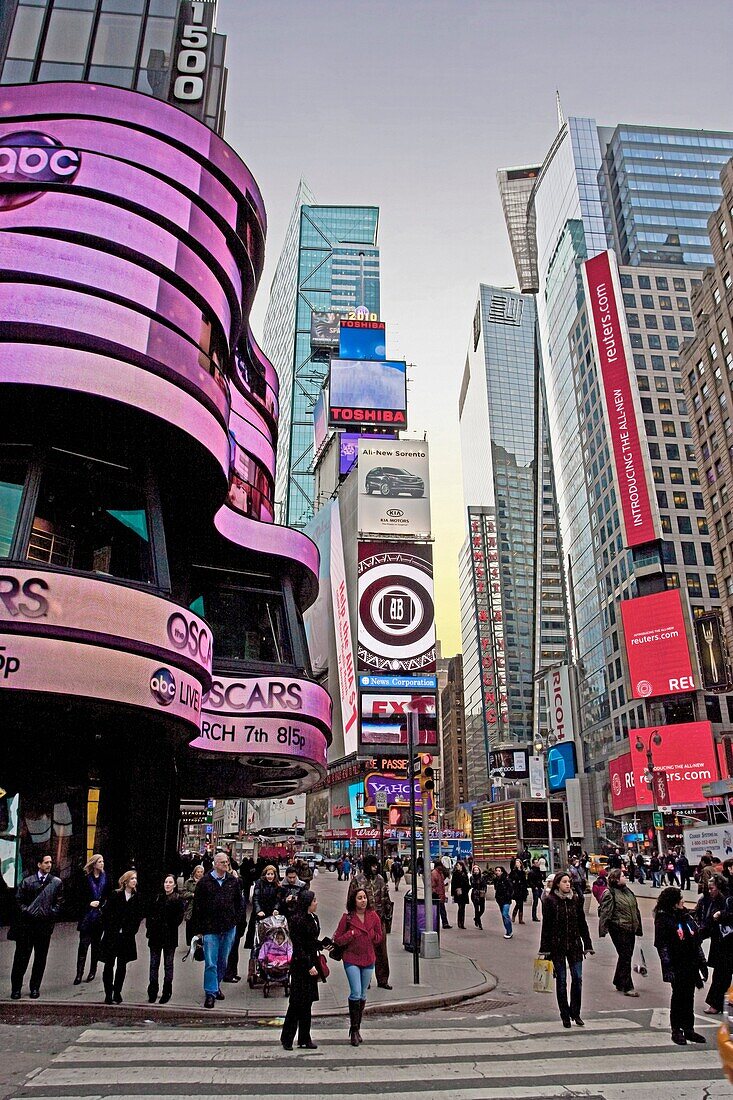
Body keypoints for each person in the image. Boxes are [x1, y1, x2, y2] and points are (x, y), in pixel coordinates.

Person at [539, 871, 594, 1028]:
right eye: (564, 882)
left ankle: (575, 1013)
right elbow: (546, 927)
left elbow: (582, 923)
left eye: (569, 881)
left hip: (575, 945)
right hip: (557, 947)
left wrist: (588, 944)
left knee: (577, 979)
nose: (568, 884)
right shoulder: (550, 901)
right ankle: (565, 1014)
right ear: (557, 884)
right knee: (562, 981)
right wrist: (545, 950)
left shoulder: (575, 900)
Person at [654, 886, 708, 1045]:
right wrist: (668, 967)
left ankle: (689, 1029)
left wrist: (702, 961)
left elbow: (696, 939)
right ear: (673, 902)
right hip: (677, 964)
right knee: (678, 996)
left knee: (689, 996)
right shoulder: (663, 919)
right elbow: (661, 945)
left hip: (691, 962)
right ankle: (676, 1030)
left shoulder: (686, 916)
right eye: (680, 897)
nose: (683, 900)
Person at [191, 851, 244, 1009]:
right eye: (222, 862)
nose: (226, 864)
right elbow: (197, 907)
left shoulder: (233, 881)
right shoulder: (205, 882)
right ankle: (210, 993)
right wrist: (199, 929)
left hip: (228, 928)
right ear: (215, 864)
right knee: (211, 963)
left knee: (223, 961)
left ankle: (216, 985)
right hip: (210, 929)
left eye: (227, 862)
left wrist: (236, 921)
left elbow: (239, 903)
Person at [333, 885, 383, 1046]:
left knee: (362, 994)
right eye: (359, 898)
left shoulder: (373, 916)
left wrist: (372, 935)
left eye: (364, 898)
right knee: (355, 992)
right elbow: (338, 940)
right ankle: (353, 1030)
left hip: (368, 959)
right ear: (353, 901)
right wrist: (352, 934)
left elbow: (379, 938)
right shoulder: (347, 918)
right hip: (351, 959)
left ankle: (358, 1027)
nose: (363, 901)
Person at [280, 890, 330, 1050]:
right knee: (296, 1003)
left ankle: (304, 1037)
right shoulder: (296, 920)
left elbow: (311, 941)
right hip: (301, 965)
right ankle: (287, 1038)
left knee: (307, 1003)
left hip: (312, 960)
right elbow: (299, 947)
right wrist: (309, 966)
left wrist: (323, 944)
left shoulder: (314, 918)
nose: (316, 903)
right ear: (307, 903)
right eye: (314, 900)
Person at [10, 854, 63, 1000]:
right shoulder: (28, 882)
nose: (49, 865)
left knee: (40, 959)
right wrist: (27, 911)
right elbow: (18, 901)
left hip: (44, 926)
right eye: (46, 862)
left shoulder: (56, 882)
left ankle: (35, 987)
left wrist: (50, 913)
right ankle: (16, 989)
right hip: (27, 926)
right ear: (39, 864)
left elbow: (58, 902)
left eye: (50, 862)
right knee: (21, 959)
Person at [99, 870, 143, 1004]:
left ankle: (117, 992)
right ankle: (108, 992)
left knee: (122, 965)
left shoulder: (137, 897)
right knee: (109, 964)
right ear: (125, 881)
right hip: (112, 934)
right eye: (132, 879)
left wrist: (131, 930)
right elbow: (106, 914)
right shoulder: (115, 895)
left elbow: (138, 917)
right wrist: (111, 928)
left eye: (135, 878)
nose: (134, 881)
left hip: (126, 936)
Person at [598, 866, 643, 997]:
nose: (625, 877)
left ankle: (618, 980)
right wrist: (604, 929)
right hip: (618, 928)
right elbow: (605, 912)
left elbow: (635, 909)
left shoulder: (628, 891)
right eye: (623, 876)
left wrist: (638, 927)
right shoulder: (610, 893)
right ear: (616, 879)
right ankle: (627, 986)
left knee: (625, 956)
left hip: (630, 928)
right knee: (625, 956)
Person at [349, 854, 392, 988]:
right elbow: (351, 900)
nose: (375, 868)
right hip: (363, 921)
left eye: (376, 865)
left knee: (381, 952)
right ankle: (365, 980)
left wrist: (387, 914)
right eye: (373, 865)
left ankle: (383, 980)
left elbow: (386, 898)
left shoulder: (380, 879)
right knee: (365, 951)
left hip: (379, 920)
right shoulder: (358, 880)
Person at [696, 873, 733, 1015]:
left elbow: (725, 916)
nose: (710, 891)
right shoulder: (712, 900)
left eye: (712, 888)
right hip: (721, 942)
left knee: (722, 974)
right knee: (721, 974)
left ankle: (717, 1003)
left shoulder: (727, 899)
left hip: (727, 943)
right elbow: (709, 923)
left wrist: (721, 916)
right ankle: (717, 1002)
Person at [146, 873, 185, 1004]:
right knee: (153, 964)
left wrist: (166, 924)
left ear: (174, 884)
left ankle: (166, 990)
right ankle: (152, 989)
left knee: (168, 965)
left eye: (170, 882)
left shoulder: (177, 899)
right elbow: (149, 915)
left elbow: (178, 919)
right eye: (165, 882)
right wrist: (151, 928)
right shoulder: (157, 897)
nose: (167, 884)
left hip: (169, 936)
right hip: (155, 936)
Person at [74, 853, 110, 985]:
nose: (102, 864)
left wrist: (102, 904)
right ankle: (79, 973)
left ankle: (92, 971)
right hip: (87, 917)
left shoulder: (106, 878)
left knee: (96, 946)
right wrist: (89, 903)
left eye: (103, 861)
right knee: (83, 945)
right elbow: (78, 897)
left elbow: (108, 896)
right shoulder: (85, 879)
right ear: (94, 864)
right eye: (100, 862)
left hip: (100, 917)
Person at [244, 864, 281, 949]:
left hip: (271, 914)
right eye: (268, 874)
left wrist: (276, 908)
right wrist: (258, 910)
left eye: (272, 874)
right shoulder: (259, 883)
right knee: (256, 939)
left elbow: (278, 899)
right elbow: (256, 898)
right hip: (259, 914)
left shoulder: (277, 885)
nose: (270, 876)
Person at [181, 864, 204, 946]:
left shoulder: (204, 882)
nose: (200, 874)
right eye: (198, 872)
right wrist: (192, 895)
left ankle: (199, 943)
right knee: (190, 926)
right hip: (191, 907)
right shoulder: (188, 882)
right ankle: (190, 942)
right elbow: (183, 893)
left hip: (201, 907)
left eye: (201, 872)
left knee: (199, 926)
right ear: (194, 872)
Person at [493, 865, 514, 939]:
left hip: (506, 899)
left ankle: (509, 931)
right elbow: (496, 888)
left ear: (502, 872)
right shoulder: (496, 880)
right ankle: (508, 930)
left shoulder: (506, 879)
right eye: (496, 871)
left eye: (499, 871)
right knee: (503, 915)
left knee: (505, 914)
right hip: (500, 899)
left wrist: (508, 896)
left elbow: (511, 889)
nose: (497, 872)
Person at [431, 859, 451, 930]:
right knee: (440, 910)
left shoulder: (439, 873)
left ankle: (444, 923)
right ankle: (443, 923)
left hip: (440, 893)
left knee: (442, 910)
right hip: (437, 894)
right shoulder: (435, 873)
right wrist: (435, 892)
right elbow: (433, 885)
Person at [450, 860, 470, 929]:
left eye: (458, 865)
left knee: (463, 907)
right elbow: (453, 884)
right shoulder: (455, 874)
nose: (457, 867)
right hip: (458, 892)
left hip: (464, 892)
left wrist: (467, 889)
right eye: (456, 865)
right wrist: (453, 893)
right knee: (460, 907)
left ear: (461, 866)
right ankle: (459, 922)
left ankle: (462, 923)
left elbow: (467, 883)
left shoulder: (465, 873)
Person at [509, 857, 528, 924]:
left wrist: (526, 889)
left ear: (520, 864)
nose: (517, 864)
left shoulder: (523, 872)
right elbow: (510, 880)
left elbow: (525, 881)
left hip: (522, 889)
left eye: (518, 863)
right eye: (516, 863)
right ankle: (514, 916)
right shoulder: (513, 872)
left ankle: (520, 919)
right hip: (516, 889)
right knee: (518, 903)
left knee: (521, 904)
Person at [470, 864, 489, 929]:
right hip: (475, 894)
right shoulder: (472, 877)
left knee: (482, 909)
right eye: (474, 870)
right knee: (476, 909)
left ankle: (476, 918)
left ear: (479, 870)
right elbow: (472, 885)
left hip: (481, 894)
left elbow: (484, 885)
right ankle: (479, 923)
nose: (476, 871)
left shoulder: (482, 877)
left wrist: (484, 891)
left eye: (477, 870)